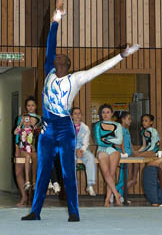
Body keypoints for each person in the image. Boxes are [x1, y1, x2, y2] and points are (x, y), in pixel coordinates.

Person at [21, 19, 139, 221]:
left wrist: (122, 55)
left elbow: (99, 69)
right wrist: (56, 20)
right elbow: (51, 43)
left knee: (68, 172)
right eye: (56, 55)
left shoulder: (75, 79)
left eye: (61, 56)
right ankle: (35, 211)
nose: (57, 55)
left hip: (65, 130)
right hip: (48, 129)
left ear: (67, 65)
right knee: (41, 173)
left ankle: (74, 212)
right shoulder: (49, 71)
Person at [94, 104, 123, 207]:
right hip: (102, 149)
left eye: (107, 112)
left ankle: (107, 199)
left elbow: (119, 141)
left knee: (111, 174)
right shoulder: (97, 125)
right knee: (106, 173)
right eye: (103, 112)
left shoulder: (118, 125)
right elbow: (99, 142)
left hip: (114, 150)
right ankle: (116, 194)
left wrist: (106, 139)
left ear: (111, 113)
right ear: (100, 114)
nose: (105, 114)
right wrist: (112, 140)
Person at [15, 97, 41, 207]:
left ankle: (33, 187)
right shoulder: (21, 117)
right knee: (18, 172)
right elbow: (17, 133)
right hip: (22, 147)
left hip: (33, 147)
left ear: (36, 107)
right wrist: (16, 148)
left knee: (33, 163)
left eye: (32, 105)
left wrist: (34, 125)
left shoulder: (39, 118)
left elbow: (40, 134)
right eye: (28, 105)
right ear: (26, 107)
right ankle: (24, 196)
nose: (30, 107)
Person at [126, 114, 160, 190]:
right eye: (143, 121)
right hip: (148, 150)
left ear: (151, 122)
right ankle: (134, 177)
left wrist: (140, 153)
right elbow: (144, 146)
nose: (143, 122)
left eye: (146, 121)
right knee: (133, 155)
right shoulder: (143, 132)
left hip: (153, 151)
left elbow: (153, 146)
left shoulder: (153, 131)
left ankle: (134, 179)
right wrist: (138, 151)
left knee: (136, 156)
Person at [71, 107, 96, 196]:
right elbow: (66, 141)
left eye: (79, 114)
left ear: (81, 116)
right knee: (70, 161)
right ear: (71, 116)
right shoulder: (67, 127)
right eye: (75, 114)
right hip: (71, 149)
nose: (77, 116)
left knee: (90, 157)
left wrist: (81, 150)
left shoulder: (85, 128)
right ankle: (73, 186)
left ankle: (90, 185)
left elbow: (86, 142)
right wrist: (75, 150)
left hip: (82, 149)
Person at [15, 114, 40, 192]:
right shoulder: (21, 130)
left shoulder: (33, 130)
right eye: (25, 120)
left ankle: (34, 182)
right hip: (23, 150)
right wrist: (20, 124)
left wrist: (34, 125)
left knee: (35, 156)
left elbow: (40, 132)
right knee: (28, 156)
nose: (27, 122)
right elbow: (15, 132)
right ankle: (27, 181)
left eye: (28, 120)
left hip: (30, 149)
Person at [114, 112, 132, 203]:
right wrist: (124, 153)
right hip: (124, 155)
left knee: (124, 176)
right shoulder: (120, 128)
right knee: (124, 177)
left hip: (128, 155)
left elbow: (129, 143)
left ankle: (120, 196)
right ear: (123, 119)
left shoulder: (126, 129)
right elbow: (120, 143)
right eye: (128, 119)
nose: (130, 121)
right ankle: (113, 191)